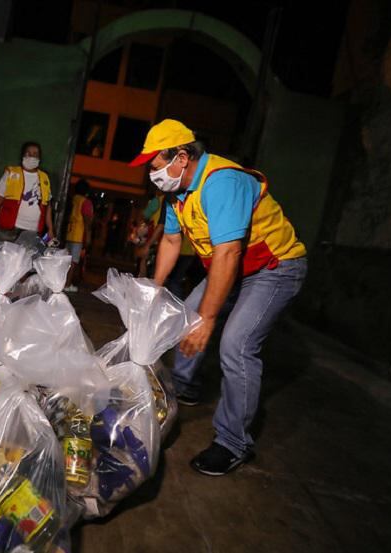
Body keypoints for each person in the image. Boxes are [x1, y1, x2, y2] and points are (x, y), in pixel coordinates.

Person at [128, 119, 307, 476]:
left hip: (275, 268)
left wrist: (208, 319)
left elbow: (227, 254)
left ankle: (234, 443)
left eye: (155, 163)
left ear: (181, 157)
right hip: (236, 269)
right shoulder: (177, 193)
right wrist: (155, 287)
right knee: (185, 319)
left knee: (236, 345)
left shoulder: (221, 182)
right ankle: (185, 386)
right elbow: (171, 241)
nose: (152, 172)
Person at [0, 142, 55, 243]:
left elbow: (47, 206)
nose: (32, 156)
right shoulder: (11, 173)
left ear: (39, 157)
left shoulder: (44, 178)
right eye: (28, 153)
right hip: (9, 230)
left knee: (26, 259)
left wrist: (50, 228)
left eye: (35, 154)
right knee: (4, 258)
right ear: (23, 155)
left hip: (32, 231)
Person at [64, 179, 94, 292]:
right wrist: (89, 236)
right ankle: (67, 284)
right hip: (78, 235)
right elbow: (87, 221)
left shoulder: (73, 200)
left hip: (69, 233)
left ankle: (63, 282)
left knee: (66, 260)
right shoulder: (86, 202)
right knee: (74, 261)